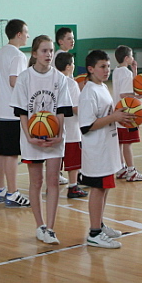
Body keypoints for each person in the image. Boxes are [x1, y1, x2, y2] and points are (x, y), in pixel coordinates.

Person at [11, 35, 72, 244]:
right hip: (32, 139)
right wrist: (29, 137)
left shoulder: (59, 78)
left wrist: (59, 134)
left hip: (55, 138)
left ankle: (51, 228)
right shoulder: (25, 78)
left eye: (51, 51)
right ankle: (40, 226)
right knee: (36, 182)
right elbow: (21, 112)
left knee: (53, 181)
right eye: (44, 51)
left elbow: (62, 110)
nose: (49, 54)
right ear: (35, 53)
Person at [79, 49, 136, 249]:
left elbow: (105, 114)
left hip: (107, 147)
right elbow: (86, 126)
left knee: (104, 189)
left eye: (108, 66)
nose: (106, 70)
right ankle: (94, 233)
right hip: (97, 150)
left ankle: (100, 224)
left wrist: (120, 113)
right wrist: (114, 117)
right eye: (102, 67)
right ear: (91, 69)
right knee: (97, 189)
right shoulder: (89, 92)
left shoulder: (102, 87)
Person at [0, 19, 31, 207]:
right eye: (26, 32)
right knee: (11, 154)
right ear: (19, 34)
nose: (28, 36)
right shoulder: (18, 55)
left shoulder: (1, 53)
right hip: (12, 113)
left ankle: (0, 190)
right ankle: (12, 193)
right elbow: (14, 81)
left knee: (0, 153)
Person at [54, 52, 88, 199]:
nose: (74, 66)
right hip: (71, 129)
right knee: (73, 161)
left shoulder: (52, 81)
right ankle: (73, 186)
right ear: (68, 66)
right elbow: (74, 108)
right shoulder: (71, 83)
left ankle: (52, 186)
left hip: (54, 127)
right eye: (73, 63)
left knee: (56, 160)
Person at [112, 45, 142, 182]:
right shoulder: (126, 73)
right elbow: (125, 94)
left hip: (117, 111)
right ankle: (132, 171)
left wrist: (134, 71)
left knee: (120, 143)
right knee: (127, 144)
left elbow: (128, 86)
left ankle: (121, 169)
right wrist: (139, 96)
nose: (133, 58)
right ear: (127, 58)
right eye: (132, 56)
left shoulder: (117, 71)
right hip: (128, 112)